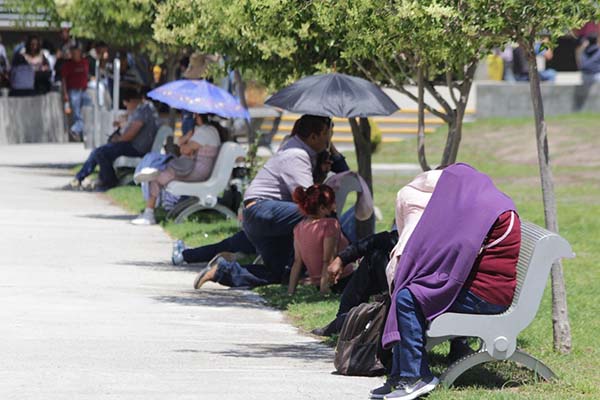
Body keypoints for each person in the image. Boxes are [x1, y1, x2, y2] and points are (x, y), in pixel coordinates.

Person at [371, 163, 521, 400]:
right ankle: (400, 376)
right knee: (405, 289)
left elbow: (460, 251)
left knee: (409, 298)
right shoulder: (480, 201)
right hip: (473, 286)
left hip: (488, 296)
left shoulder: (490, 211)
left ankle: (415, 377)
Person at [191, 114, 332, 290]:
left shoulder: (298, 149)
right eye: (327, 133)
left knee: (277, 273)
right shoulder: (297, 154)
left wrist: (323, 168)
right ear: (313, 136)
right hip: (263, 210)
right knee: (318, 216)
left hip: (260, 215)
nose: (329, 138)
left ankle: (222, 271)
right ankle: (316, 273)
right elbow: (310, 199)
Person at [131, 113, 223, 225]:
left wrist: (186, 143)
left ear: (198, 116)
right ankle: (149, 208)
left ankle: (149, 214)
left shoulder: (205, 132)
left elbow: (184, 150)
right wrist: (188, 138)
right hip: (197, 170)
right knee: (159, 171)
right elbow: (181, 144)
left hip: (195, 172)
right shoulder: (208, 130)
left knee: (155, 177)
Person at [68, 86, 159, 191]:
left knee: (101, 152)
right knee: (99, 151)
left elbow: (130, 135)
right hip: (136, 146)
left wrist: (118, 139)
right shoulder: (145, 109)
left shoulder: (143, 111)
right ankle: (85, 177)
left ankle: (107, 181)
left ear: (132, 101)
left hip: (137, 148)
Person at [287, 184, 354, 295]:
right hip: (341, 280)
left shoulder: (299, 227)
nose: (335, 205)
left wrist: (290, 291)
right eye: (332, 202)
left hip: (318, 283)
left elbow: (297, 262)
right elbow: (328, 260)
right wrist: (325, 290)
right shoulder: (330, 225)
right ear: (322, 208)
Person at [61, 45, 90, 141]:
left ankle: (80, 132)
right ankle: (75, 130)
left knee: (88, 111)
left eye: (76, 52)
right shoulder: (68, 65)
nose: (74, 55)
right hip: (74, 91)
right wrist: (65, 94)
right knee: (76, 114)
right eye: (72, 53)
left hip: (84, 91)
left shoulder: (85, 62)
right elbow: (64, 80)